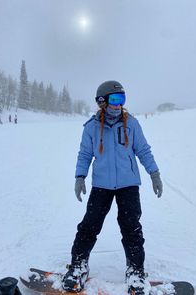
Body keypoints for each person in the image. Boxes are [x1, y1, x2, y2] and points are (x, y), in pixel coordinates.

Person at [62, 81, 163, 295]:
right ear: (102, 102)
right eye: (114, 100)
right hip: (102, 185)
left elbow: (143, 150)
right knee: (90, 225)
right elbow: (84, 154)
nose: (118, 105)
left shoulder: (132, 124)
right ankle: (78, 266)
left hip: (128, 185)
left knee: (131, 227)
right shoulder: (91, 127)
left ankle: (135, 271)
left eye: (122, 100)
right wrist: (80, 177)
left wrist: (154, 174)